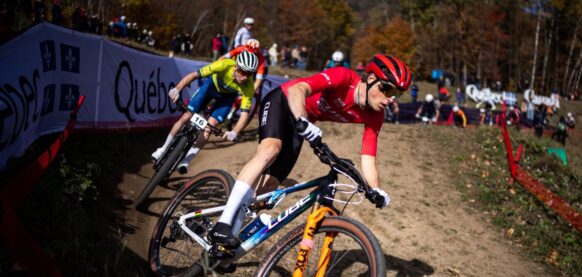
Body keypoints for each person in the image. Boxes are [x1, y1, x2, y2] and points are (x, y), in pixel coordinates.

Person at [207, 54, 412, 249]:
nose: (390, 99)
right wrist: (303, 120)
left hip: (303, 122)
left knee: (267, 190)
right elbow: (298, 89)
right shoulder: (344, 77)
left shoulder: (375, 115)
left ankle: (226, 245)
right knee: (270, 150)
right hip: (283, 101)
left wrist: (375, 189)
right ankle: (222, 224)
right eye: (387, 89)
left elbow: (368, 158)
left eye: (397, 94)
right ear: (372, 79)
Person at [151, 51, 259, 174]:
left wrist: (235, 132)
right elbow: (194, 75)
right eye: (243, 72)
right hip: (211, 87)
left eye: (249, 73)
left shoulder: (248, 86)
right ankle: (162, 149)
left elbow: (245, 114)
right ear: (236, 67)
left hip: (227, 98)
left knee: (209, 129)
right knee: (186, 117)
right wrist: (177, 89)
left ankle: (186, 161)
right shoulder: (224, 65)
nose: (245, 77)